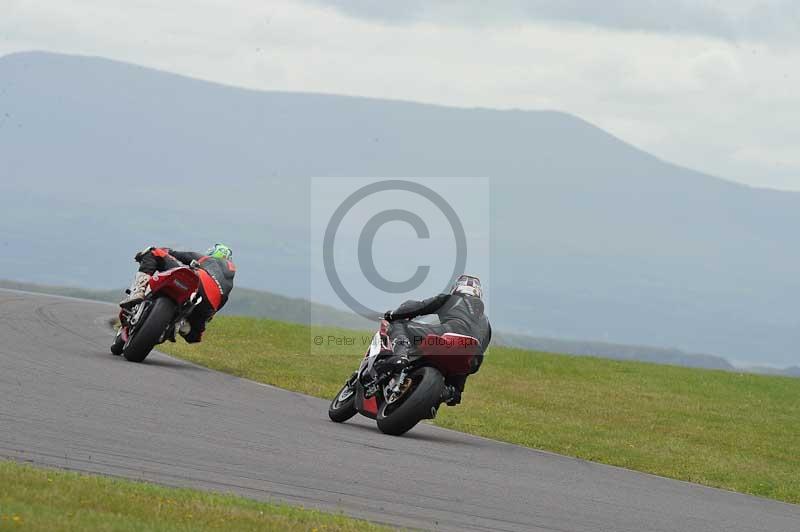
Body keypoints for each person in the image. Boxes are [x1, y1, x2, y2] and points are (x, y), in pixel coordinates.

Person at [380, 274, 491, 405]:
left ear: (456, 288)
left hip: (448, 335)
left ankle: (400, 355)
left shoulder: (451, 299)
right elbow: (481, 350)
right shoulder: (487, 324)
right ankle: (451, 392)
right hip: (470, 355)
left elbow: (419, 306)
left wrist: (393, 314)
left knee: (399, 325)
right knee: (459, 380)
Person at [120, 243, 236, 343]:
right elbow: (212, 313)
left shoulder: (206, 259)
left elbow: (178, 254)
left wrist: (152, 255)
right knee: (195, 336)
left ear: (213, 252)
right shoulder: (229, 282)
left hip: (198, 281)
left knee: (153, 252)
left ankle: (138, 291)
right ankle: (182, 325)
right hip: (209, 304)